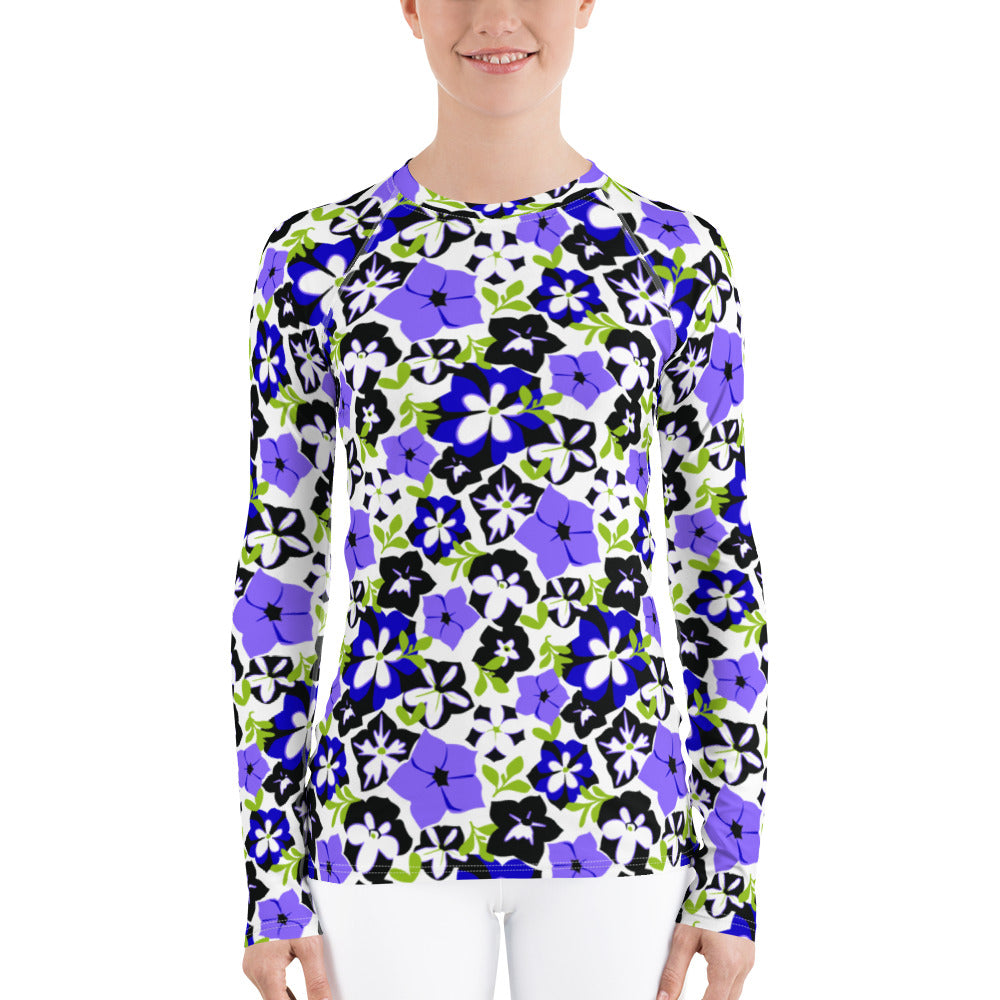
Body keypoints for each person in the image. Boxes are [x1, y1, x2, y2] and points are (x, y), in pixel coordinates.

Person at [231, 2, 768, 999]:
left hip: (615, 817)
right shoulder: (317, 258)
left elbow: (716, 563)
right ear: (410, 6)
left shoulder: (673, 256)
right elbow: (280, 571)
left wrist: (729, 874)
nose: (495, 16)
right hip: (382, 820)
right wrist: (272, 879)